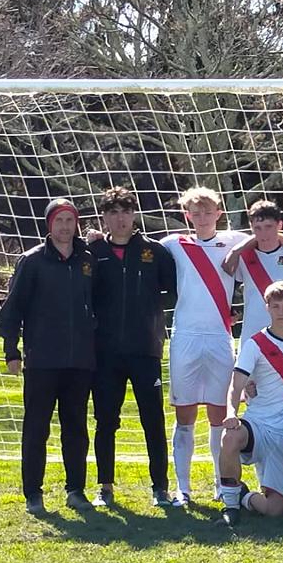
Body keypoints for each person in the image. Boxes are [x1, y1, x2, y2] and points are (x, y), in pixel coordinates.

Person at [0, 197, 96, 515]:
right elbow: (12, 310)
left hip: (80, 361)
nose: (65, 227)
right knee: (37, 428)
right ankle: (33, 494)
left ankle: (76, 490)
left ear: (76, 223)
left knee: (76, 428)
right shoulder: (32, 261)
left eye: (70, 220)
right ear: (49, 225)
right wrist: (12, 351)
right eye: (59, 221)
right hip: (42, 360)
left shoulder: (88, 259)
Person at [88, 186, 177, 509]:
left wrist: (150, 317)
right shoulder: (93, 253)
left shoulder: (154, 251)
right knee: (106, 421)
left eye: (125, 211)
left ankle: (160, 488)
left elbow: (173, 291)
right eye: (113, 212)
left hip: (145, 351)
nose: (120, 218)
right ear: (104, 217)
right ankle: (105, 487)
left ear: (134, 214)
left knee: (152, 420)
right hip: (105, 353)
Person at [160, 186, 249, 505]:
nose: (202, 217)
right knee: (184, 415)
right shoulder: (174, 244)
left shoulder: (234, 240)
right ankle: (182, 488)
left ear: (219, 213)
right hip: (185, 337)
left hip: (219, 338)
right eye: (195, 213)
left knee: (218, 414)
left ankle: (219, 483)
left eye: (208, 212)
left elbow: (266, 237)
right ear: (187, 215)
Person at [218, 281, 283, 523]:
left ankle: (244, 496)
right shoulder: (255, 344)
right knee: (230, 437)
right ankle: (230, 507)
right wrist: (231, 412)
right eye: (275, 306)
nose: (281, 311)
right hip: (259, 425)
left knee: (276, 511)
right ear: (267, 307)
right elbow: (236, 384)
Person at [222, 200, 283, 343]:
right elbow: (227, 271)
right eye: (258, 228)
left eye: (268, 226)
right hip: (253, 331)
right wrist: (237, 250)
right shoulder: (244, 255)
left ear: (279, 225)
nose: (263, 233)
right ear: (251, 227)